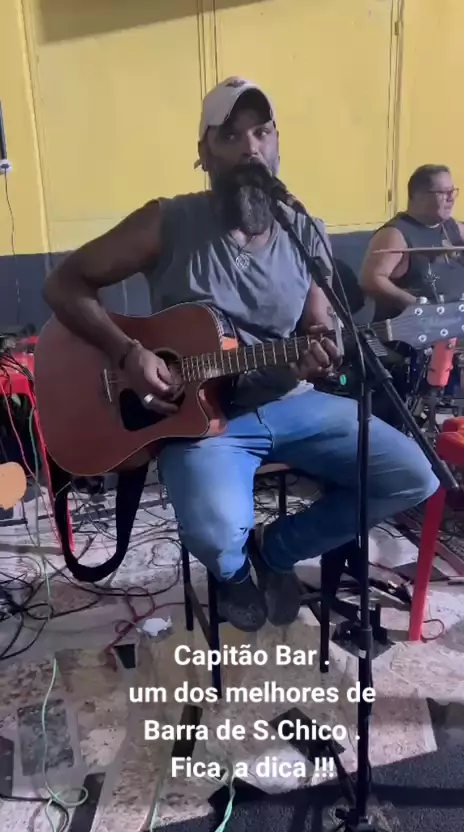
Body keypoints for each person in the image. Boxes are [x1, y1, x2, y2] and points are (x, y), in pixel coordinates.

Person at [43, 77, 439, 632]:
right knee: (213, 530)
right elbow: (64, 284)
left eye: (262, 132)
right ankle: (231, 573)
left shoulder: (305, 230)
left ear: (276, 144)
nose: (251, 147)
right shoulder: (168, 222)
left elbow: (317, 323)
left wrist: (319, 352)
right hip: (203, 420)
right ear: (204, 154)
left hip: (292, 399)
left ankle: (275, 550)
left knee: (414, 476)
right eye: (230, 136)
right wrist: (127, 352)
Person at [360, 164, 464, 320]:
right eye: (444, 192)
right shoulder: (395, 234)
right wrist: (416, 306)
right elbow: (370, 279)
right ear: (418, 195)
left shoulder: (452, 226)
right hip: (416, 328)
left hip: (456, 322)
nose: (451, 198)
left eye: (452, 191)